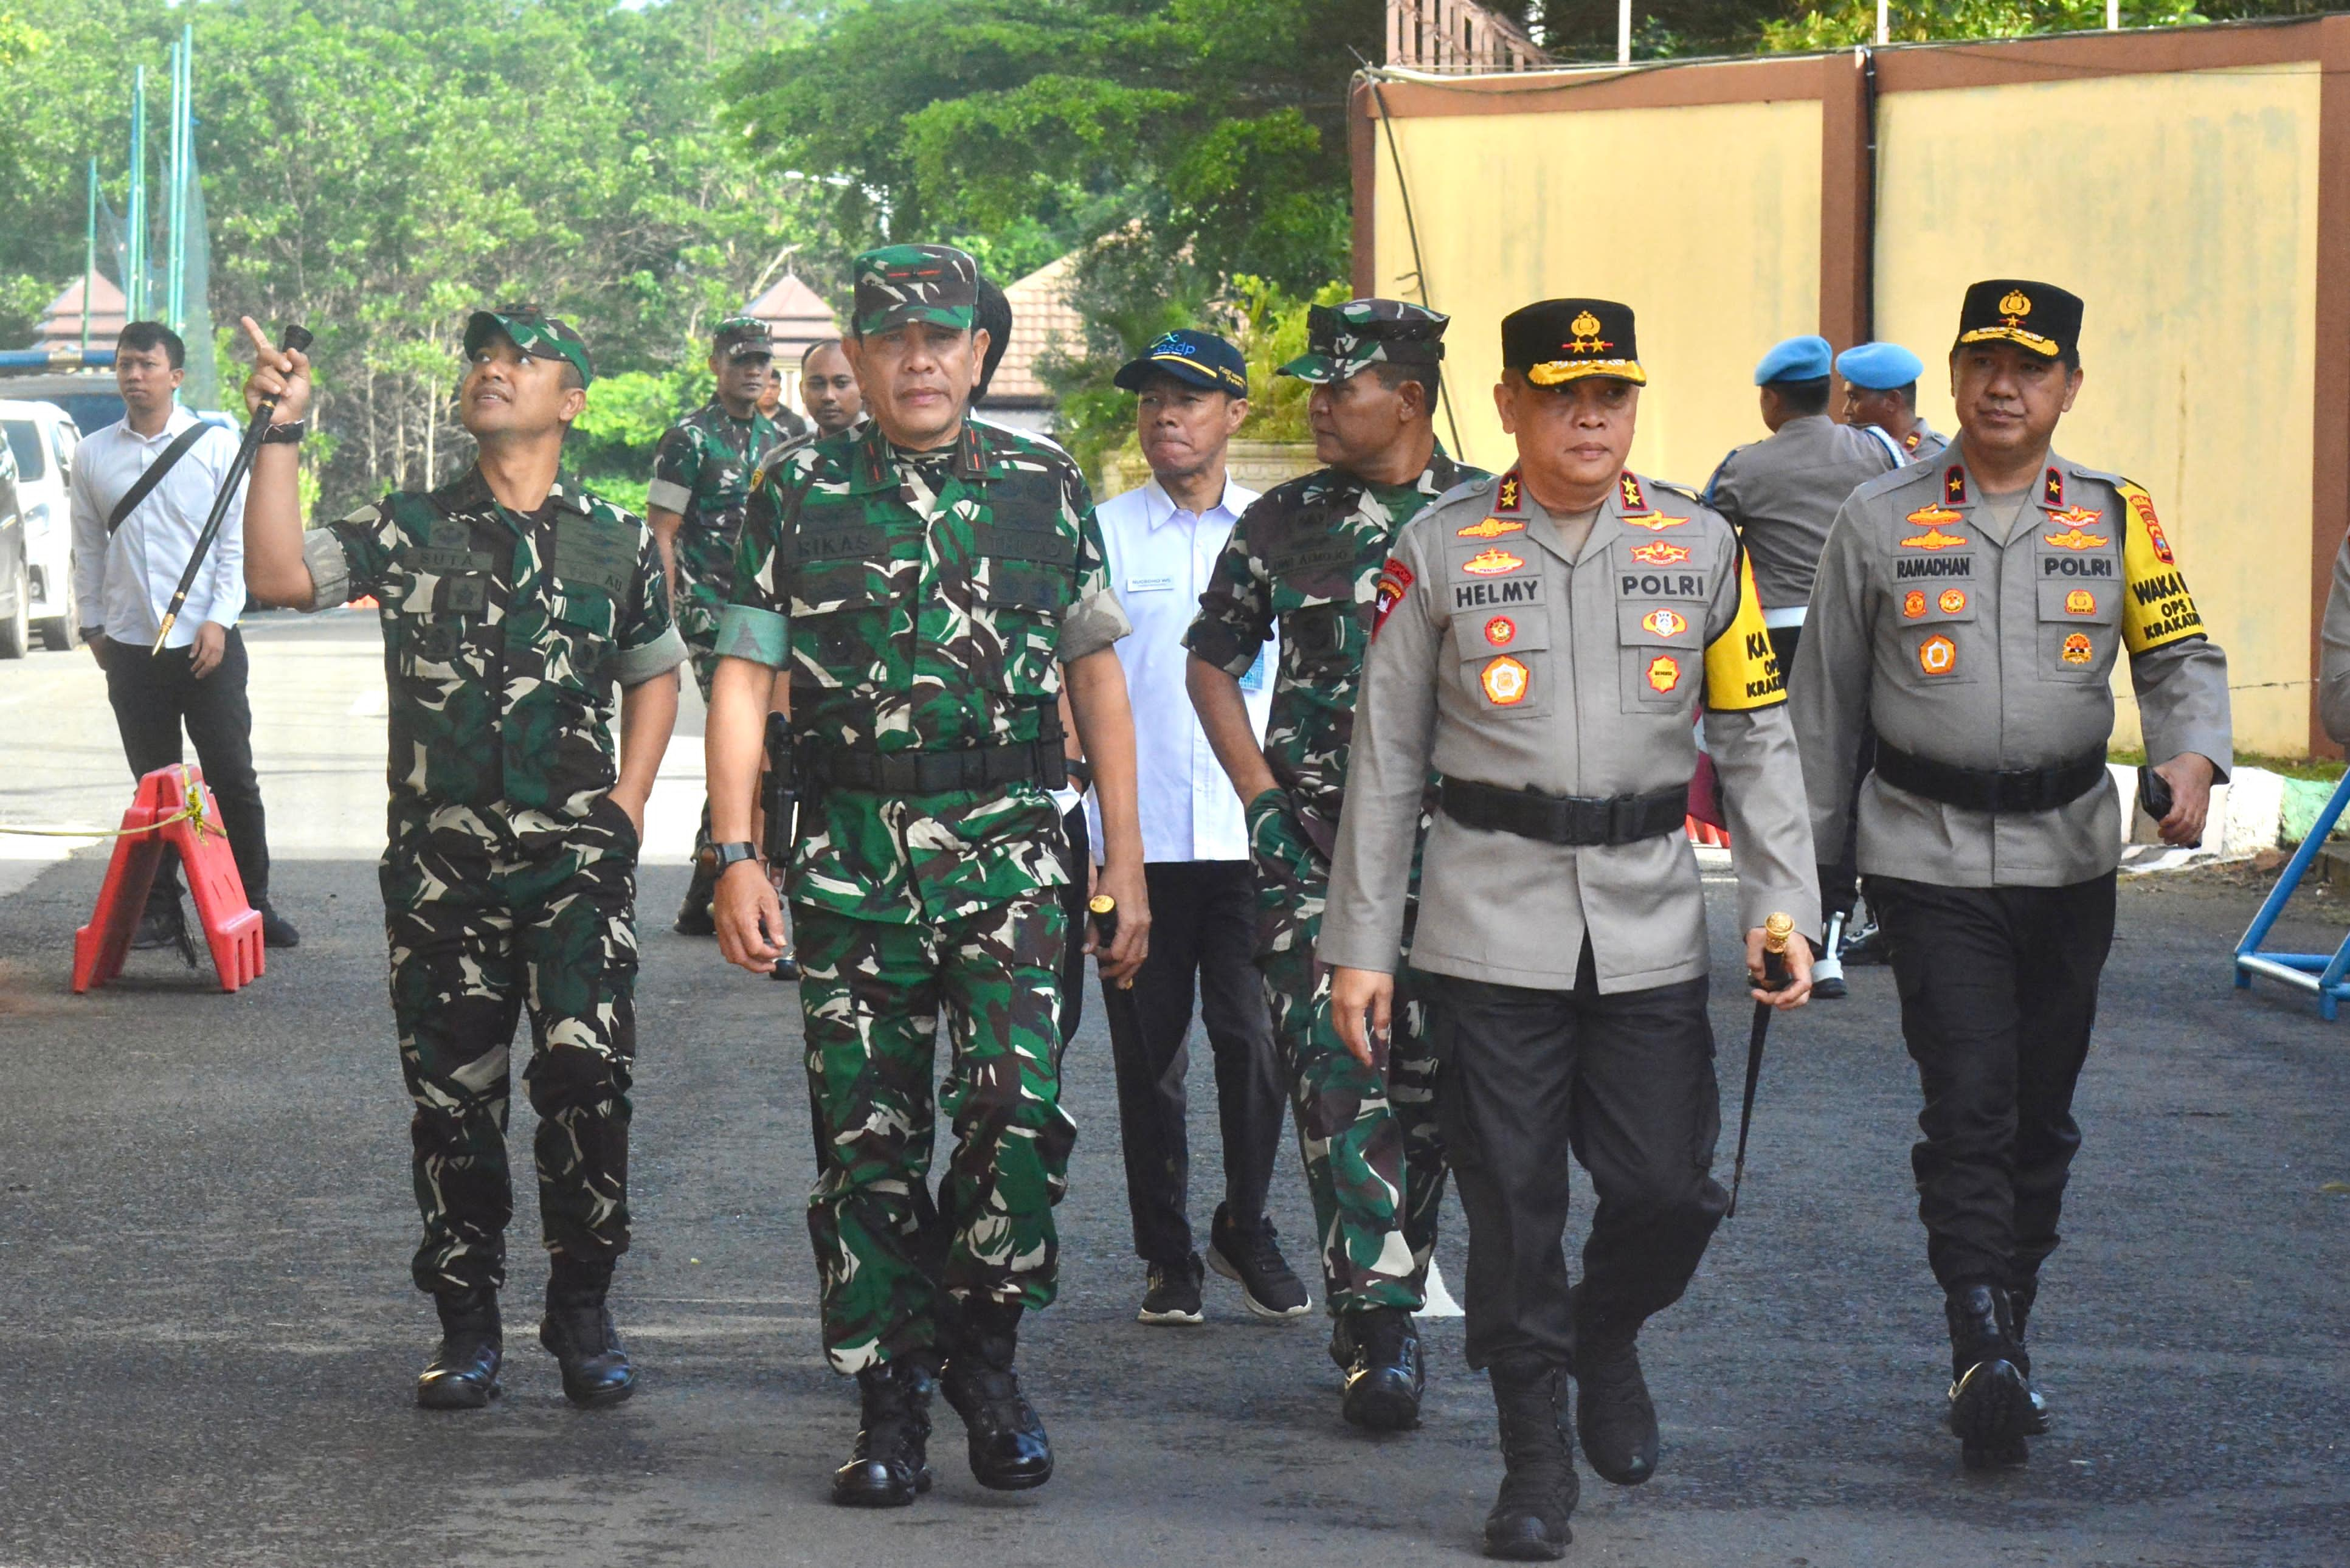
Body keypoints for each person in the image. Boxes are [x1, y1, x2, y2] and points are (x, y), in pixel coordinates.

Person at [1322, 298, 1816, 1560]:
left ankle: (1607, 1326)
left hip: (1649, 923)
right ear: (1506, 405)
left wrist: (1782, 900)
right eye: (1561, 394)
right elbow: (1384, 760)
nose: (1590, 417)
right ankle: (1533, 1458)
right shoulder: (1436, 551)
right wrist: (1361, 942)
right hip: (1488, 929)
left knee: (1667, 1185)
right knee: (1515, 1209)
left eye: (1612, 394)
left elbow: (1758, 737)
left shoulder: (1705, 547)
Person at [702, 244, 1148, 1508]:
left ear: (980, 352)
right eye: (893, 338)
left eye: (943, 337)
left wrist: (1127, 856)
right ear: (859, 349)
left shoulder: (1043, 484)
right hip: (849, 859)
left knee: (1021, 1112)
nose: (919, 360)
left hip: (1011, 852)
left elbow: (1099, 679)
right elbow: (741, 678)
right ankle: (888, 1395)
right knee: (867, 1142)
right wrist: (739, 850)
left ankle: (986, 1353)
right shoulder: (794, 488)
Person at [1792, 279, 2230, 1471]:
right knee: (1971, 1096)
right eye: (1984, 361)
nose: (2004, 385)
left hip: (2071, 858)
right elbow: (1824, 708)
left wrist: (2191, 751)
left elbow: (2181, 649)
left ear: (2068, 386)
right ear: (1952, 374)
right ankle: (1976, 1328)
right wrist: (1806, 881)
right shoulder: (1877, 520)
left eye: (2031, 368)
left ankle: (2007, 1325)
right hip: (1923, 853)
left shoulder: (2113, 512)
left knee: (2040, 1112)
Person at [237, 306, 686, 1413]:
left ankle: (582, 1304)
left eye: (522, 359)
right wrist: (281, 434)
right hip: (443, 871)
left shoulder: (615, 537)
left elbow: (656, 667)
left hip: (577, 868)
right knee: (453, 1102)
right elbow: (279, 575)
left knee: (589, 1081)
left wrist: (626, 805)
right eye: (482, 356)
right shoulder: (411, 524)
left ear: (570, 401)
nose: (494, 369)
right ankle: (467, 1318)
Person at [1184, 299, 1481, 1431]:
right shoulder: (1283, 519)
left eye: (1336, 386)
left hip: (1465, 850)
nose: (1312, 404)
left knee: (1439, 1084)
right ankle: (1378, 1322)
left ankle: (1401, 1265)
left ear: (1407, 398)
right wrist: (1259, 796)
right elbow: (1213, 661)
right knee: (1336, 1075)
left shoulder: (1489, 512)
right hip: (1317, 844)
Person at [1091, 328, 1304, 1327]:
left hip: (1252, 837)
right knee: (1150, 1057)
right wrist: (1091, 834)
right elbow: (1074, 691)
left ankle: (1247, 1223)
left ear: (1235, 414)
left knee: (1255, 1039)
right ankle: (1166, 1252)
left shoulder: (1278, 530)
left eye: (1188, 398)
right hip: (1137, 848)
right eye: (1150, 400)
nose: (1165, 416)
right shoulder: (1101, 532)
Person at [67, 320, 297, 953]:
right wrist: (94, 627)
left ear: (176, 375)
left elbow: (233, 546)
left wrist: (219, 620)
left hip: (207, 645)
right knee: (154, 787)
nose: (133, 375)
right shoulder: (92, 454)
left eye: (146, 364)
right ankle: (161, 909)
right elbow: (88, 549)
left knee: (231, 775)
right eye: (124, 365)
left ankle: (253, 902)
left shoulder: (217, 446)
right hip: (131, 647)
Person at [1703, 334, 1899, 1000]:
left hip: (1774, 648)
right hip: (1863, 645)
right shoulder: (1878, 452)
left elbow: (1706, 548)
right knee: (1844, 789)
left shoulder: (1744, 467)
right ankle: (1834, 939)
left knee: (1770, 789)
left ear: (1771, 398)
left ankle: (1779, 930)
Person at [648, 316, 796, 938]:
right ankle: (723, 876)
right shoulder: (689, 438)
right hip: (710, 613)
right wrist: (664, 614)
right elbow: (662, 530)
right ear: (716, 364)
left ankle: (707, 883)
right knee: (751, 742)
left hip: (766, 614)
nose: (753, 370)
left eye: (761, 360)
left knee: (759, 746)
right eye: (741, 360)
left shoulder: (783, 438)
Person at [1837, 341, 1948, 459]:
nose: (1846, 410)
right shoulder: (1855, 455)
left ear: (1892, 400)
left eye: (1855, 398)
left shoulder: (1943, 457)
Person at [800, 337, 865, 437]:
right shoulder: (792, 452)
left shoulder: (888, 450)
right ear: (802, 391)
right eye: (817, 384)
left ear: (863, 386)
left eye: (841, 383)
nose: (828, 396)